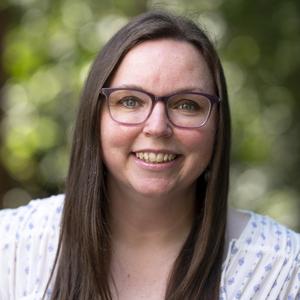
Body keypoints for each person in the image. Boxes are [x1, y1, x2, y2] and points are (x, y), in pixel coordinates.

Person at [0, 10, 299, 300]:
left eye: (186, 105)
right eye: (130, 101)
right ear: (95, 116)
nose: (157, 127)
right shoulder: (11, 248)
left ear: (218, 125)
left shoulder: (284, 272)